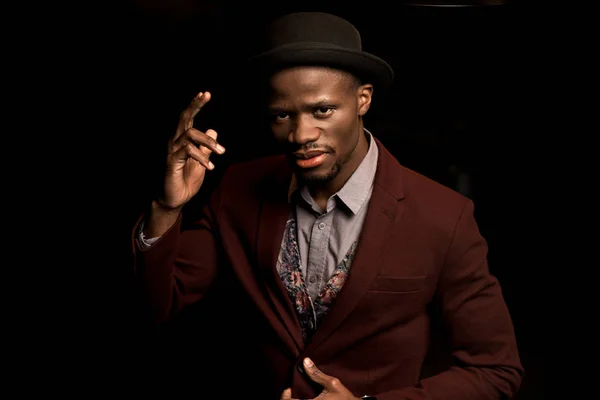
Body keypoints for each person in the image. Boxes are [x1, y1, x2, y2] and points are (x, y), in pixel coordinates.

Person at [132, 11, 523, 400]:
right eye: (283, 115)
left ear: (363, 100)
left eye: (322, 110)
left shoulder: (443, 216)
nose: (301, 135)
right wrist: (166, 207)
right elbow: (159, 305)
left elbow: (495, 370)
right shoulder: (237, 189)